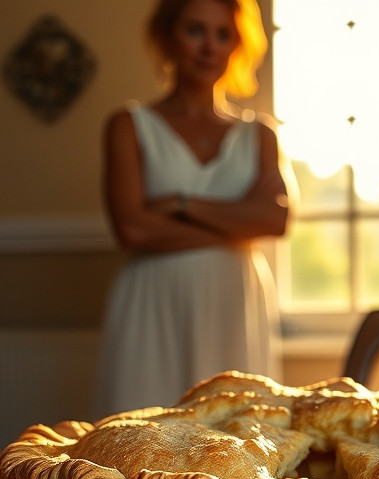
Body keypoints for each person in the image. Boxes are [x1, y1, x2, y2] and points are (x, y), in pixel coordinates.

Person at [92, 0, 291, 415]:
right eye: (195, 30)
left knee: (239, 434)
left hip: (234, 304)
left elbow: (276, 219)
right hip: (153, 305)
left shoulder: (260, 135)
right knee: (142, 437)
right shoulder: (128, 125)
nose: (209, 47)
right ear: (167, 37)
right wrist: (238, 223)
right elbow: (132, 229)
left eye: (223, 34)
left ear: (237, 45)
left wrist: (183, 204)